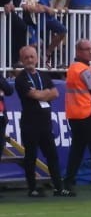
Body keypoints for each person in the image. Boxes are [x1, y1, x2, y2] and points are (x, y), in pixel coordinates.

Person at [14, 44, 64, 196]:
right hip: (30, 122)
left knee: (52, 155)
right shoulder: (21, 78)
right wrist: (45, 93)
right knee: (31, 156)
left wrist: (43, 93)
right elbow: (34, 95)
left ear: (36, 58)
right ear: (22, 60)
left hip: (45, 122)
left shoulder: (43, 75)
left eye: (32, 57)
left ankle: (58, 187)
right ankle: (32, 188)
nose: (29, 60)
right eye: (26, 57)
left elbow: (55, 93)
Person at [61, 38, 91, 194]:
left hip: (75, 115)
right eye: (87, 49)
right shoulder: (84, 70)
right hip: (89, 112)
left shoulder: (72, 69)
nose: (90, 52)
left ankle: (69, 180)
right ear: (78, 51)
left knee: (77, 149)